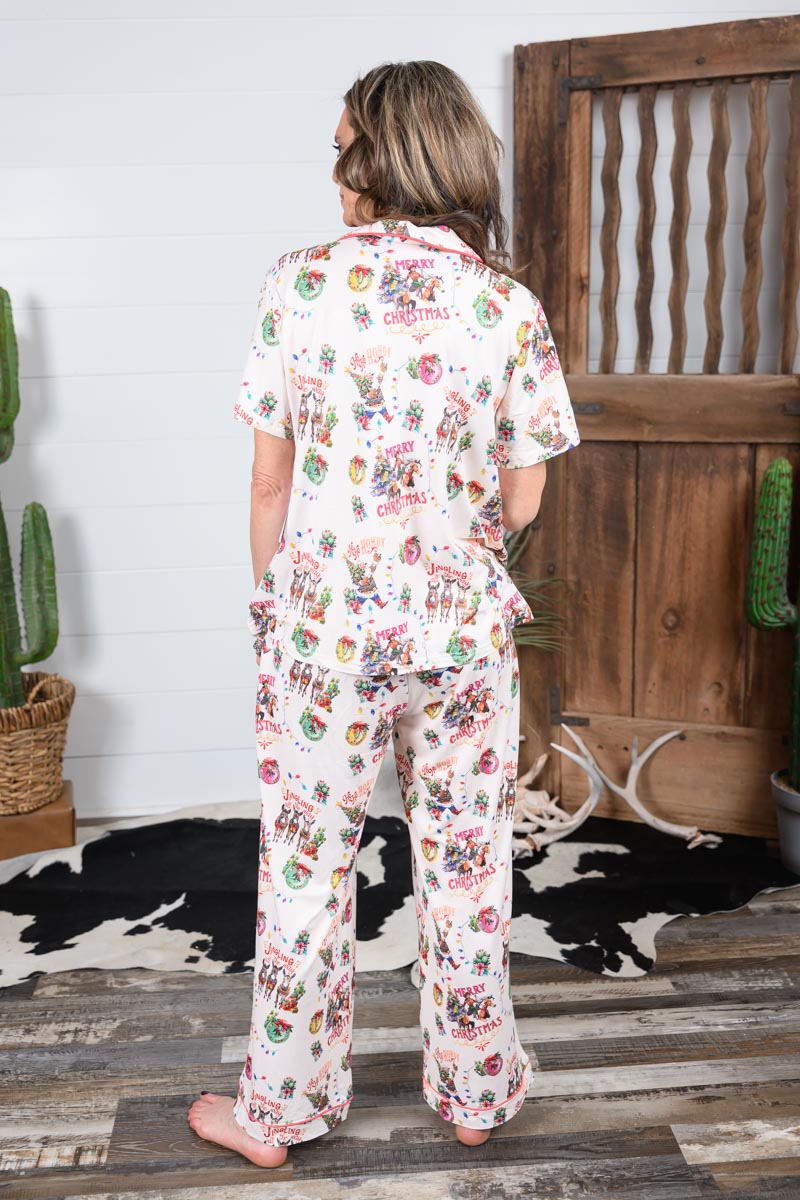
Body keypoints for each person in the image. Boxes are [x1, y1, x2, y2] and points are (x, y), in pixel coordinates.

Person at [188, 59, 580, 1169]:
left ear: (385, 156)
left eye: (343, 146)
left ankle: (278, 1114)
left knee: (306, 873)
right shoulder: (506, 304)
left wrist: (276, 605)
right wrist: (451, 540)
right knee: (467, 866)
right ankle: (476, 1094)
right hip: (460, 629)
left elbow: (270, 484)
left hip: (324, 631)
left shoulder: (298, 285)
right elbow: (523, 496)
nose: (334, 169)